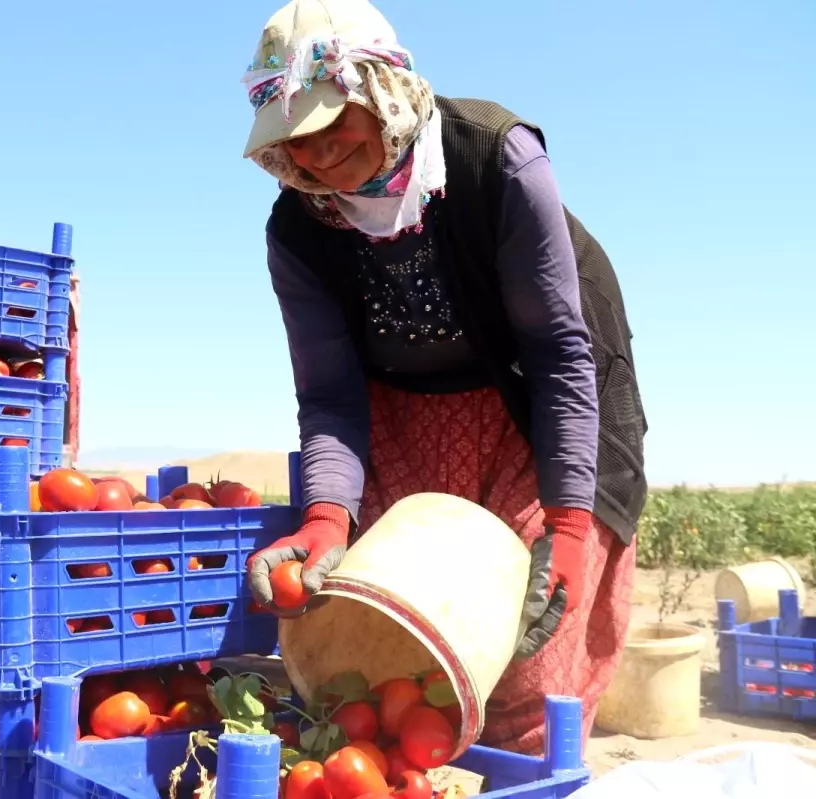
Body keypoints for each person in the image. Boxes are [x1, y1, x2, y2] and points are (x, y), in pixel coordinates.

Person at [242, 0, 648, 756]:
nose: (320, 155)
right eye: (297, 138)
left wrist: (567, 524)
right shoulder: (298, 229)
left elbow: (561, 355)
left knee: (528, 644)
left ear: (385, 93)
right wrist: (328, 517)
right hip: (407, 417)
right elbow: (329, 393)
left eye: (336, 121)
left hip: (542, 407)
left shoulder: (495, 158)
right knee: (405, 635)